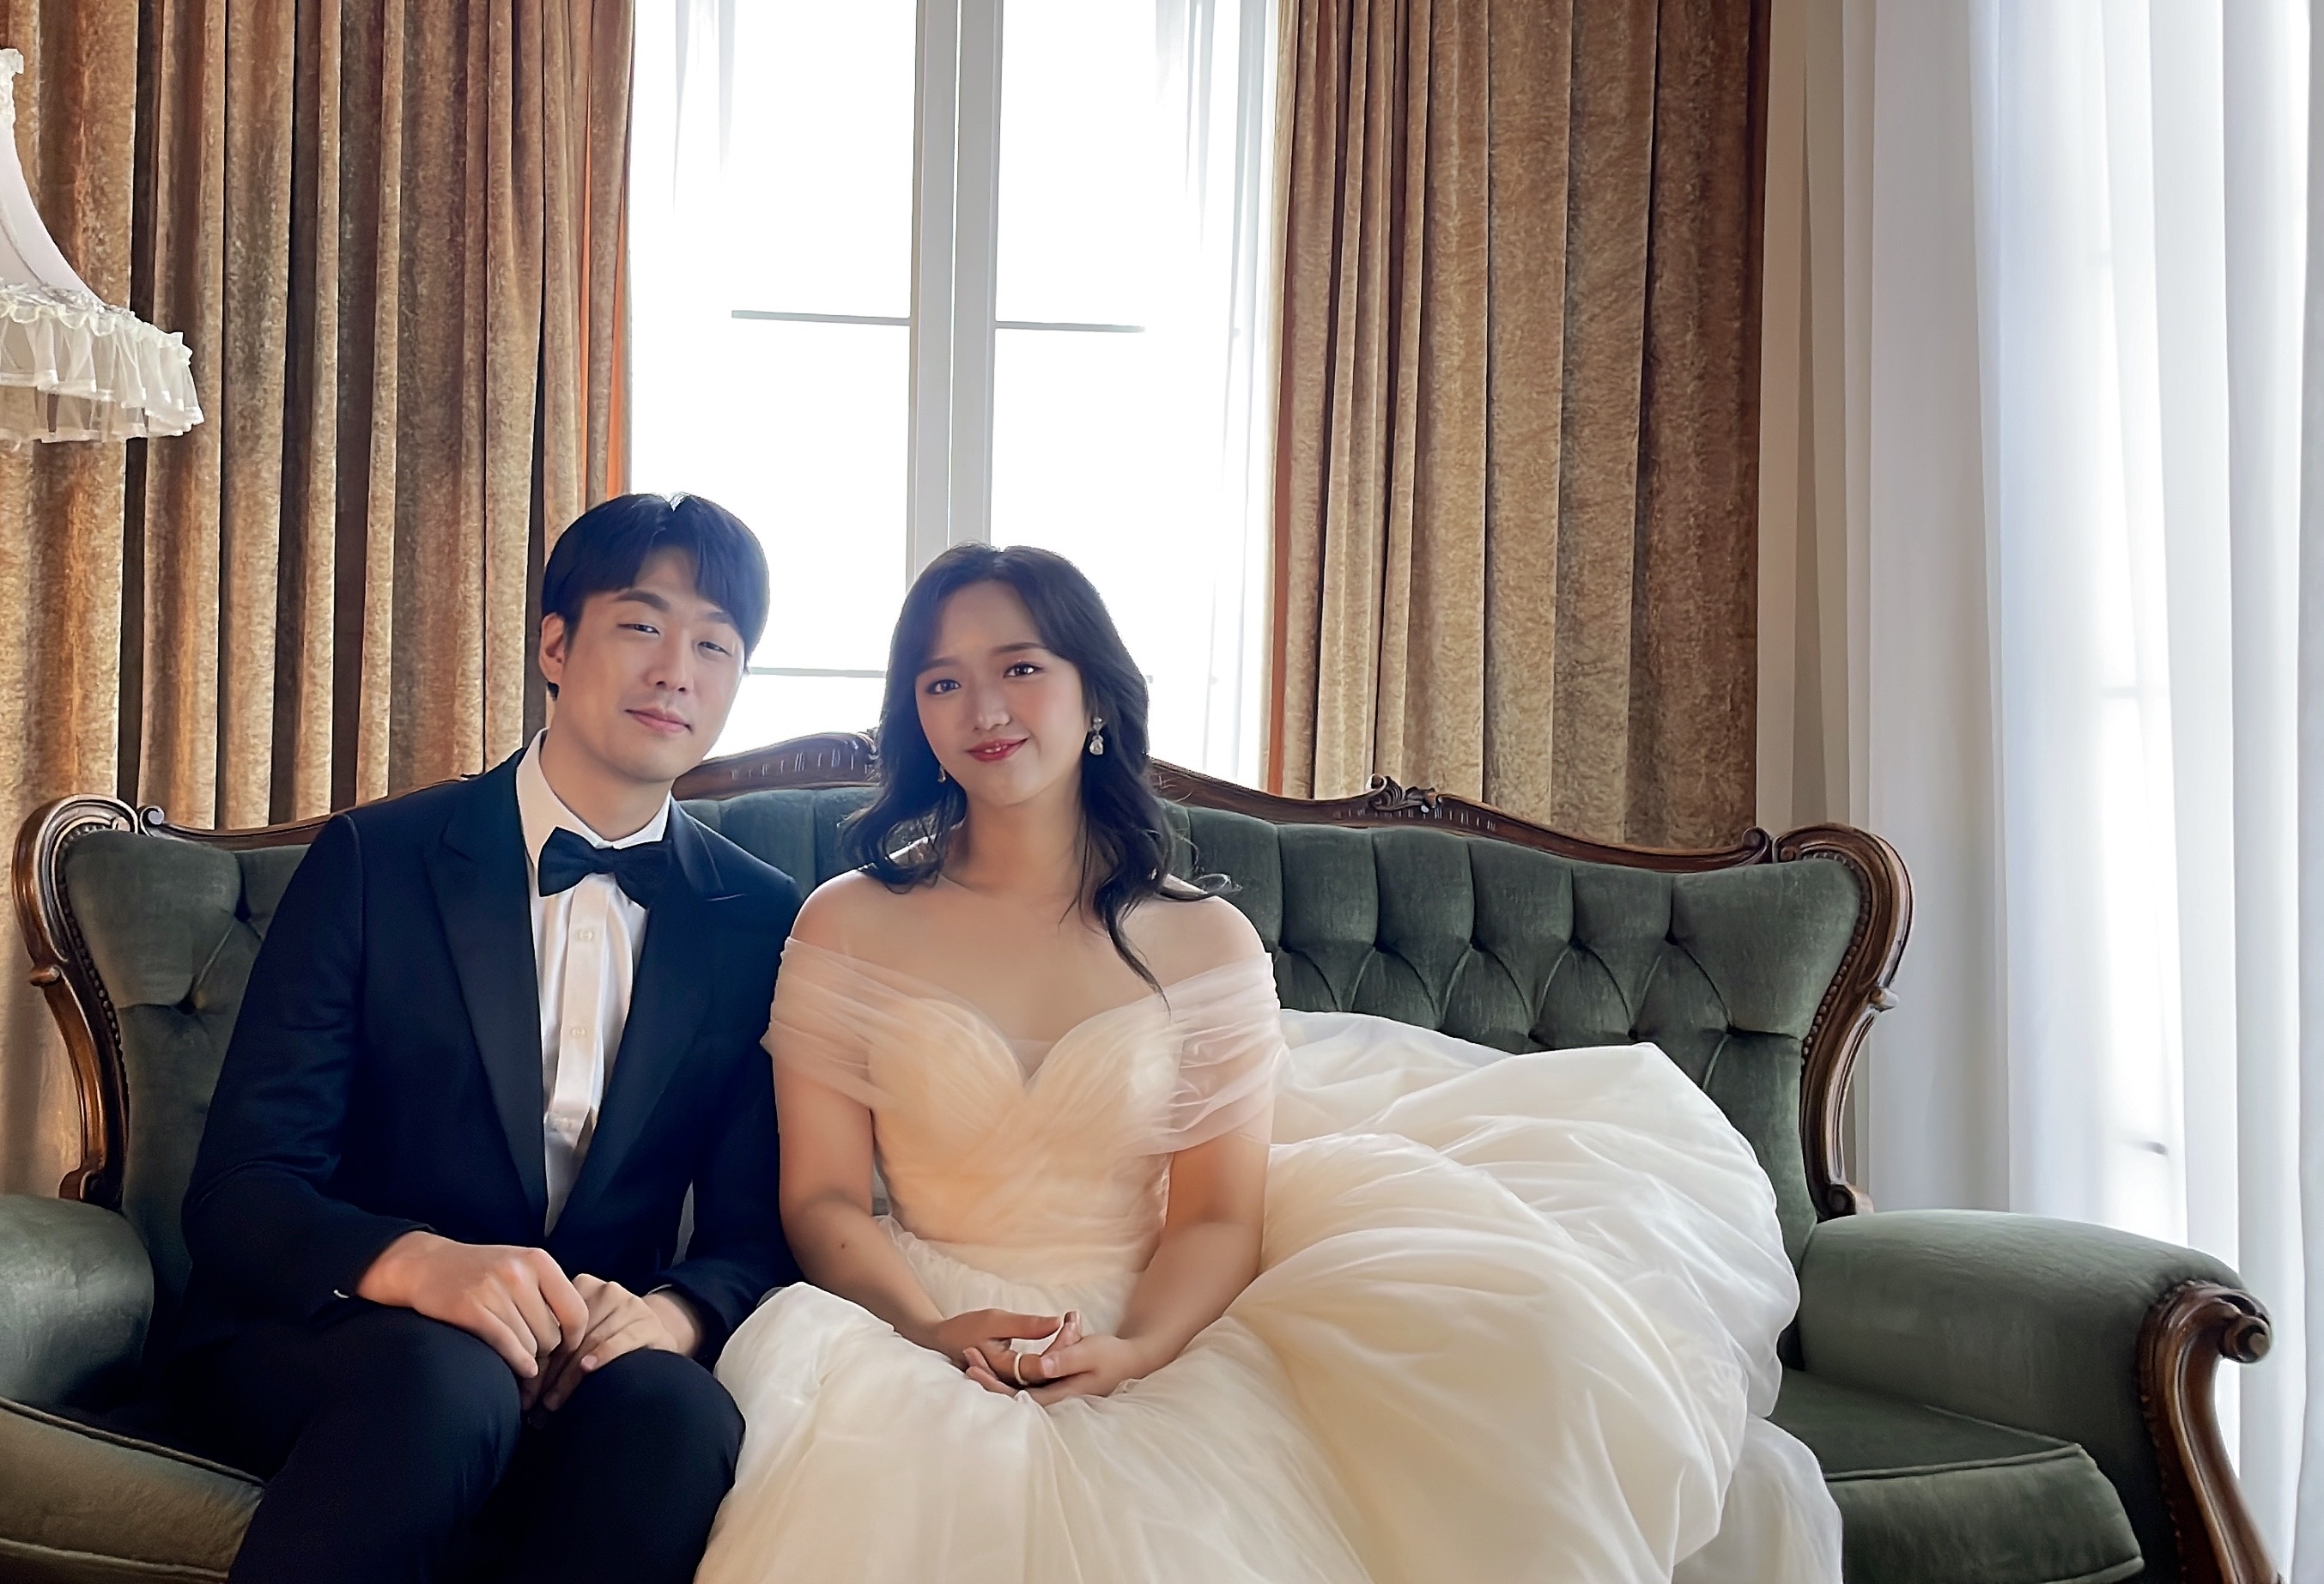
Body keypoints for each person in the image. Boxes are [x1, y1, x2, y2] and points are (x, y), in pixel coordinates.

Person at [696, 543, 1842, 1584]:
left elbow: (1213, 1217)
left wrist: (1140, 1347)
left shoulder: (1203, 940)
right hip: (907, 1311)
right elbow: (824, 1197)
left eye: (1021, 668)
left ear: (1095, 696)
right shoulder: (847, 923)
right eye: (941, 682)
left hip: (1154, 1311)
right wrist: (928, 1330)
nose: (984, 709)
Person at [162, 492, 802, 1584]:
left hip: (581, 1350)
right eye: (641, 626)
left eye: (714, 646)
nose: (676, 672)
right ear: (555, 646)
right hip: (341, 1331)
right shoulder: (375, 861)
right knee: (444, 1382)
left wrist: (670, 1316)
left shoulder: (758, 915)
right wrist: (422, 1267)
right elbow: (242, 1188)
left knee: (676, 1415)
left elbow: (753, 1234)